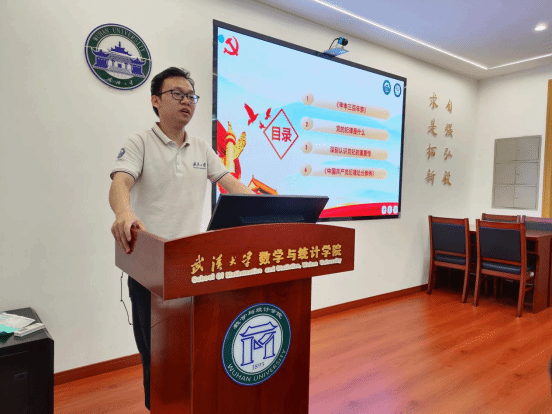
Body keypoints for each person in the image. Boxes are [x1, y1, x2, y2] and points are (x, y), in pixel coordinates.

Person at [108, 67, 253, 410]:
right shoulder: (140, 142)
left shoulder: (201, 147)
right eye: (177, 94)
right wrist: (123, 213)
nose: (186, 101)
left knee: (194, 348)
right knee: (156, 354)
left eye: (191, 96)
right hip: (150, 267)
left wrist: (270, 210)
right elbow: (120, 182)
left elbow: (232, 185)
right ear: (156, 101)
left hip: (192, 265)